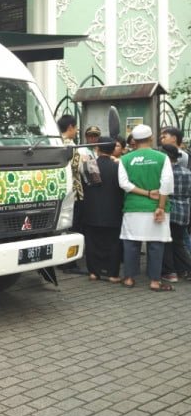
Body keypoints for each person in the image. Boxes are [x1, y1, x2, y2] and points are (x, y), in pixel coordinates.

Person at [118, 124, 174, 291]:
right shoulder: (162, 158)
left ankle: (128, 278)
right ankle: (155, 281)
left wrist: (146, 193)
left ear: (134, 140)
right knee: (156, 244)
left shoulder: (125, 159)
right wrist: (161, 207)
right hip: (156, 208)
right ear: (151, 138)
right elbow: (166, 183)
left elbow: (124, 184)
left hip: (133, 208)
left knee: (131, 243)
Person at [80, 137, 124, 283]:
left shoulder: (89, 166)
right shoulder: (118, 167)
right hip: (114, 211)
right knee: (113, 243)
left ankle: (94, 272)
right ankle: (112, 274)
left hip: (91, 211)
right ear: (113, 150)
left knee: (92, 242)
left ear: (97, 149)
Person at [58, 114, 86, 274]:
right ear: (70, 127)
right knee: (74, 226)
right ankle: (70, 263)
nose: (76, 131)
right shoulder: (71, 146)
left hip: (59, 193)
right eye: (75, 128)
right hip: (74, 193)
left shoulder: (53, 143)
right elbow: (78, 168)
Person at [159, 144, 191, 282]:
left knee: (168, 243)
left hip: (168, 209)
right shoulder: (187, 172)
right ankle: (182, 269)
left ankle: (170, 272)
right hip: (184, 211)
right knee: (178, 242)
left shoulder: (164, 173)